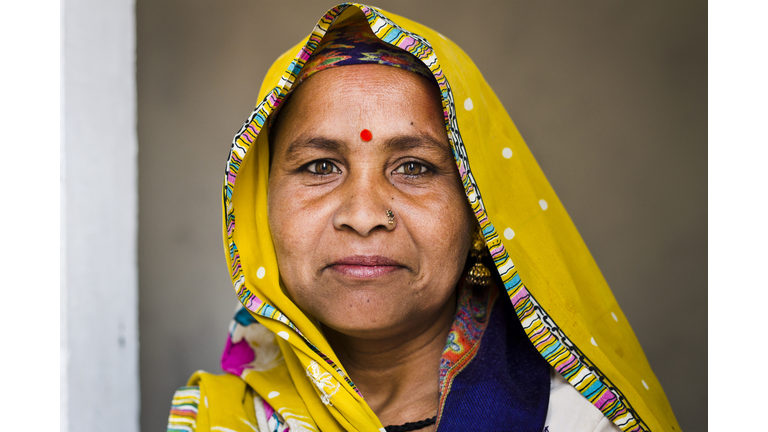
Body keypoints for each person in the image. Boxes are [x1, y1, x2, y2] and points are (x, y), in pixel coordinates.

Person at [167, 4, 680, 432]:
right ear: (259, 209)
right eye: (320, 166)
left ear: (478, 213)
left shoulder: (575, 421)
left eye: (413, 167)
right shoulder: (223, 417)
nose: (364, 215)